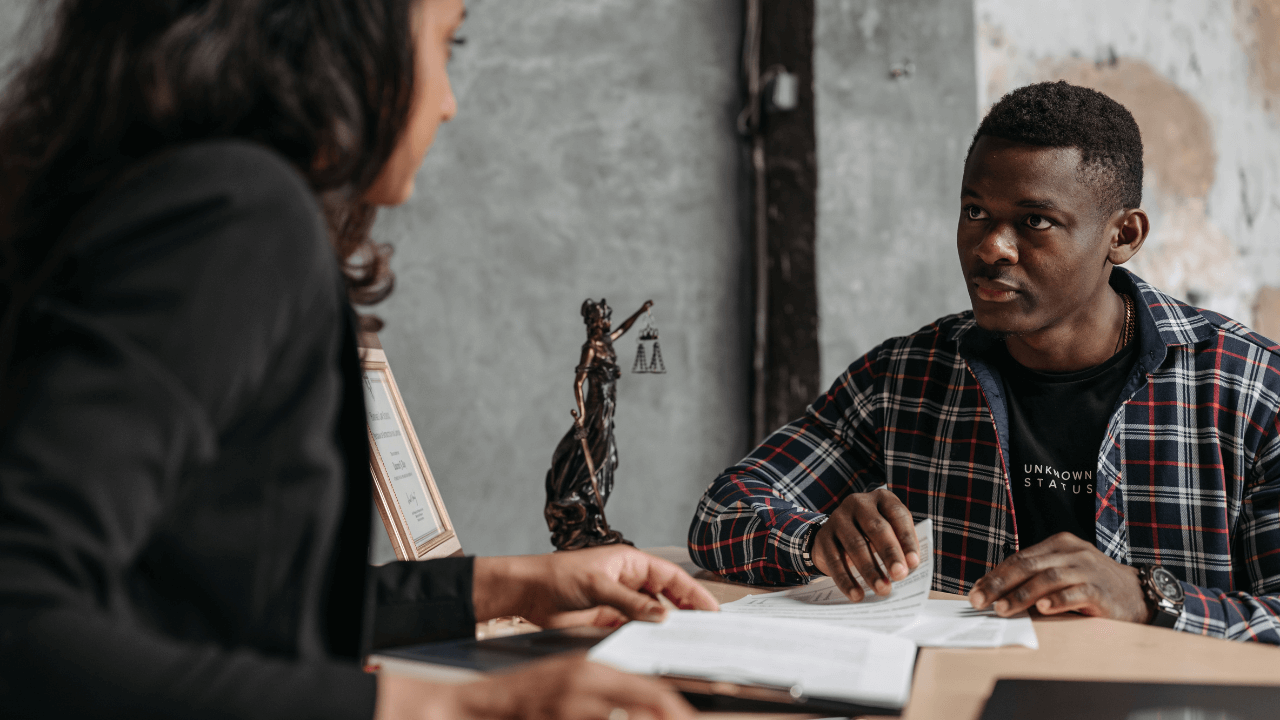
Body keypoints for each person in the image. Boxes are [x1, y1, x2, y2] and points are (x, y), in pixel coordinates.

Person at [0, 1, 717, 719]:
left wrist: (514, 586)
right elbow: (24, 615)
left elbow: (208, 611)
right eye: (448, 41)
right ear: (344, 30)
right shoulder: (237, 216)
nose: (448, 104)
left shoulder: (152, 196)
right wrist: (452, 710)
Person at [689, 80, 1280, 644]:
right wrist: (817, 539)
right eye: (975, 212)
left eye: (1035, 221)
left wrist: (1150, 597)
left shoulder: (1253, 391)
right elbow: (723, 512)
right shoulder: (903, 378)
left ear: (1122, 235)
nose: (990, 247)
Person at [545, 299, 651, 550]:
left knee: (608, 462)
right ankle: (576, 504)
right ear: (595, 321)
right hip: (596, 409)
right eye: (605, 318)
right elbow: (578, 381)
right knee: (597, 458)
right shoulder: (591, 347)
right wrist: (582, 414)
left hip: (608, 408)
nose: (609, 322)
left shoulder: (607, 341)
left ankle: (594, 520)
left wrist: (640, 311)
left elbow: (624, 328)